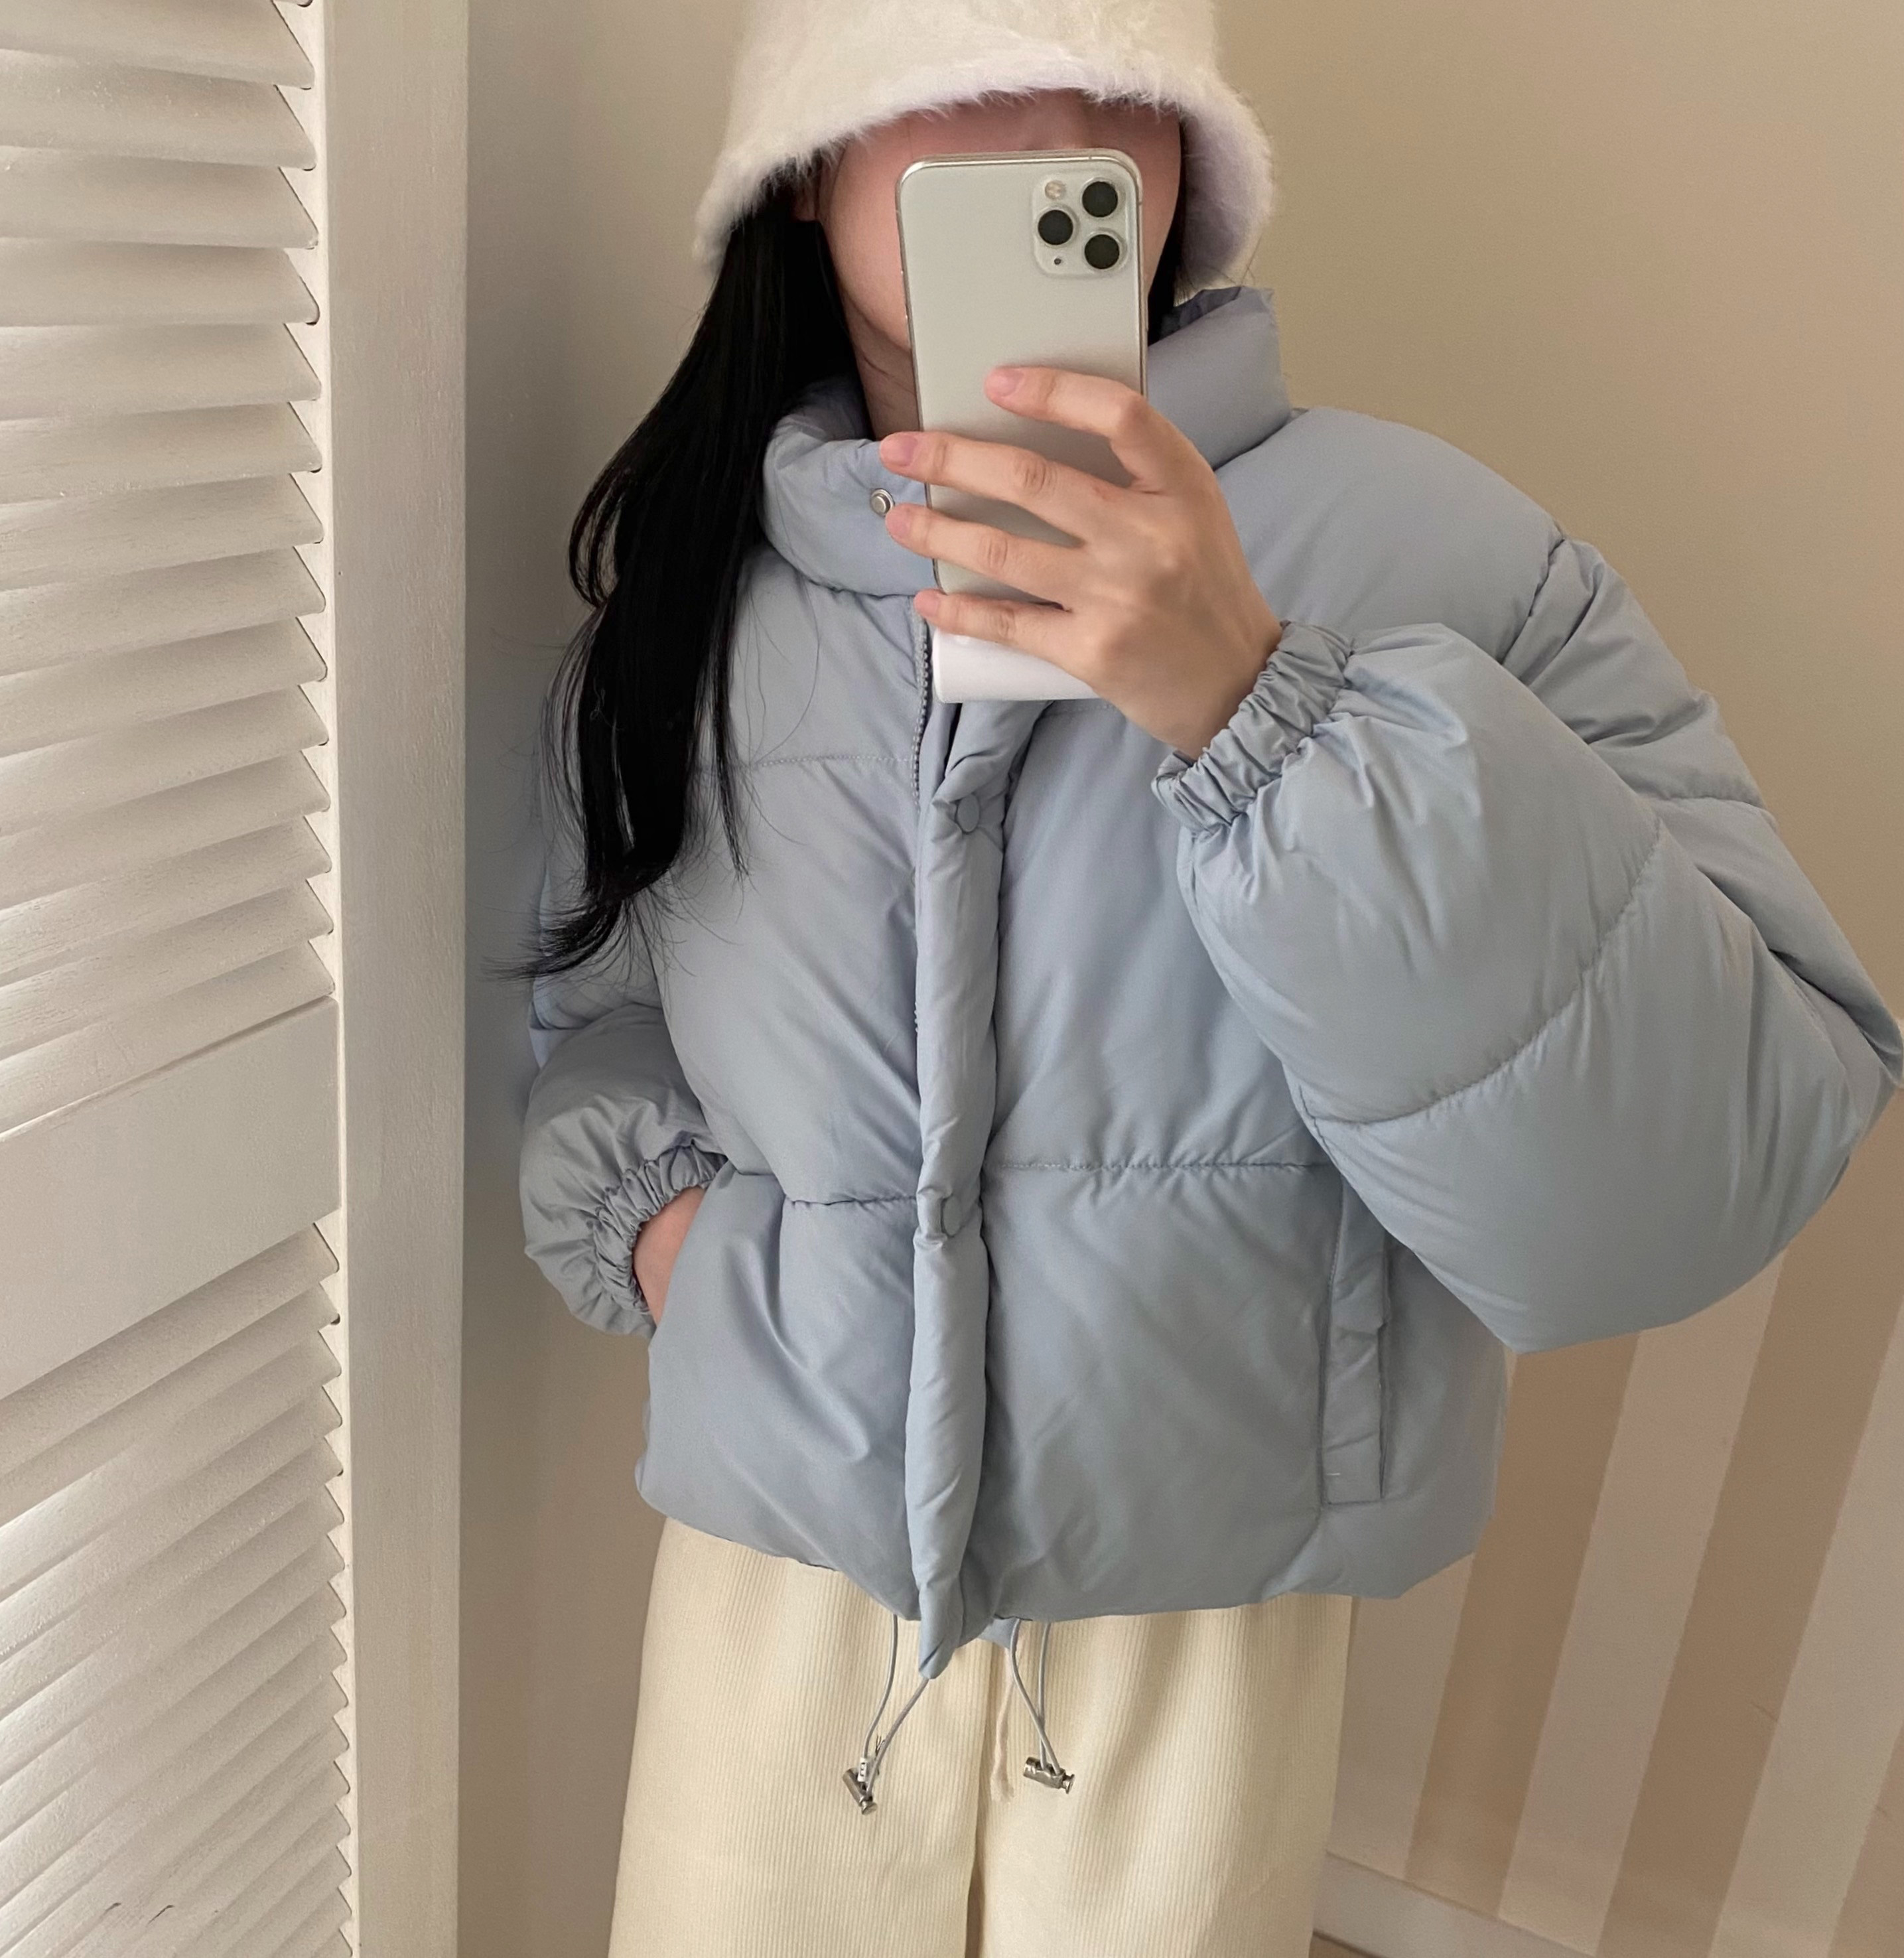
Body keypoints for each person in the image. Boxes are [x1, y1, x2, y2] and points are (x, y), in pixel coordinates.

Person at [516, 3, 1901, 1953]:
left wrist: (1258, 705)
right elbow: (596, 1009)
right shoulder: (691, 592)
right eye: (959, 77)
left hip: (1203, 1607)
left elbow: (1708, 1161)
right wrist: (677, 1243)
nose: (1059, 131)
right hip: (785, 1571)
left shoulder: (1440, 551)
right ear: (807, 164)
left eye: (1128, 93)